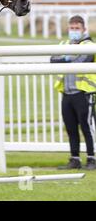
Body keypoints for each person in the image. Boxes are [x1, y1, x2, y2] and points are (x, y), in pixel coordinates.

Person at [51, 15, 96, 170]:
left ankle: (92, 159)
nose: (74, 31)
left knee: (87, 127)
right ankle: (75, 159)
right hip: (67, 94)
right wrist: (68, 57)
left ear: (84, 29)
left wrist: (65, 58)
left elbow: (82, 61)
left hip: (83, 93)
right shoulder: (64, 43)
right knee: (70, 128)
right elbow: (52, 60)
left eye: (77, 28)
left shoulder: (89, 44)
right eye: (72, 28)